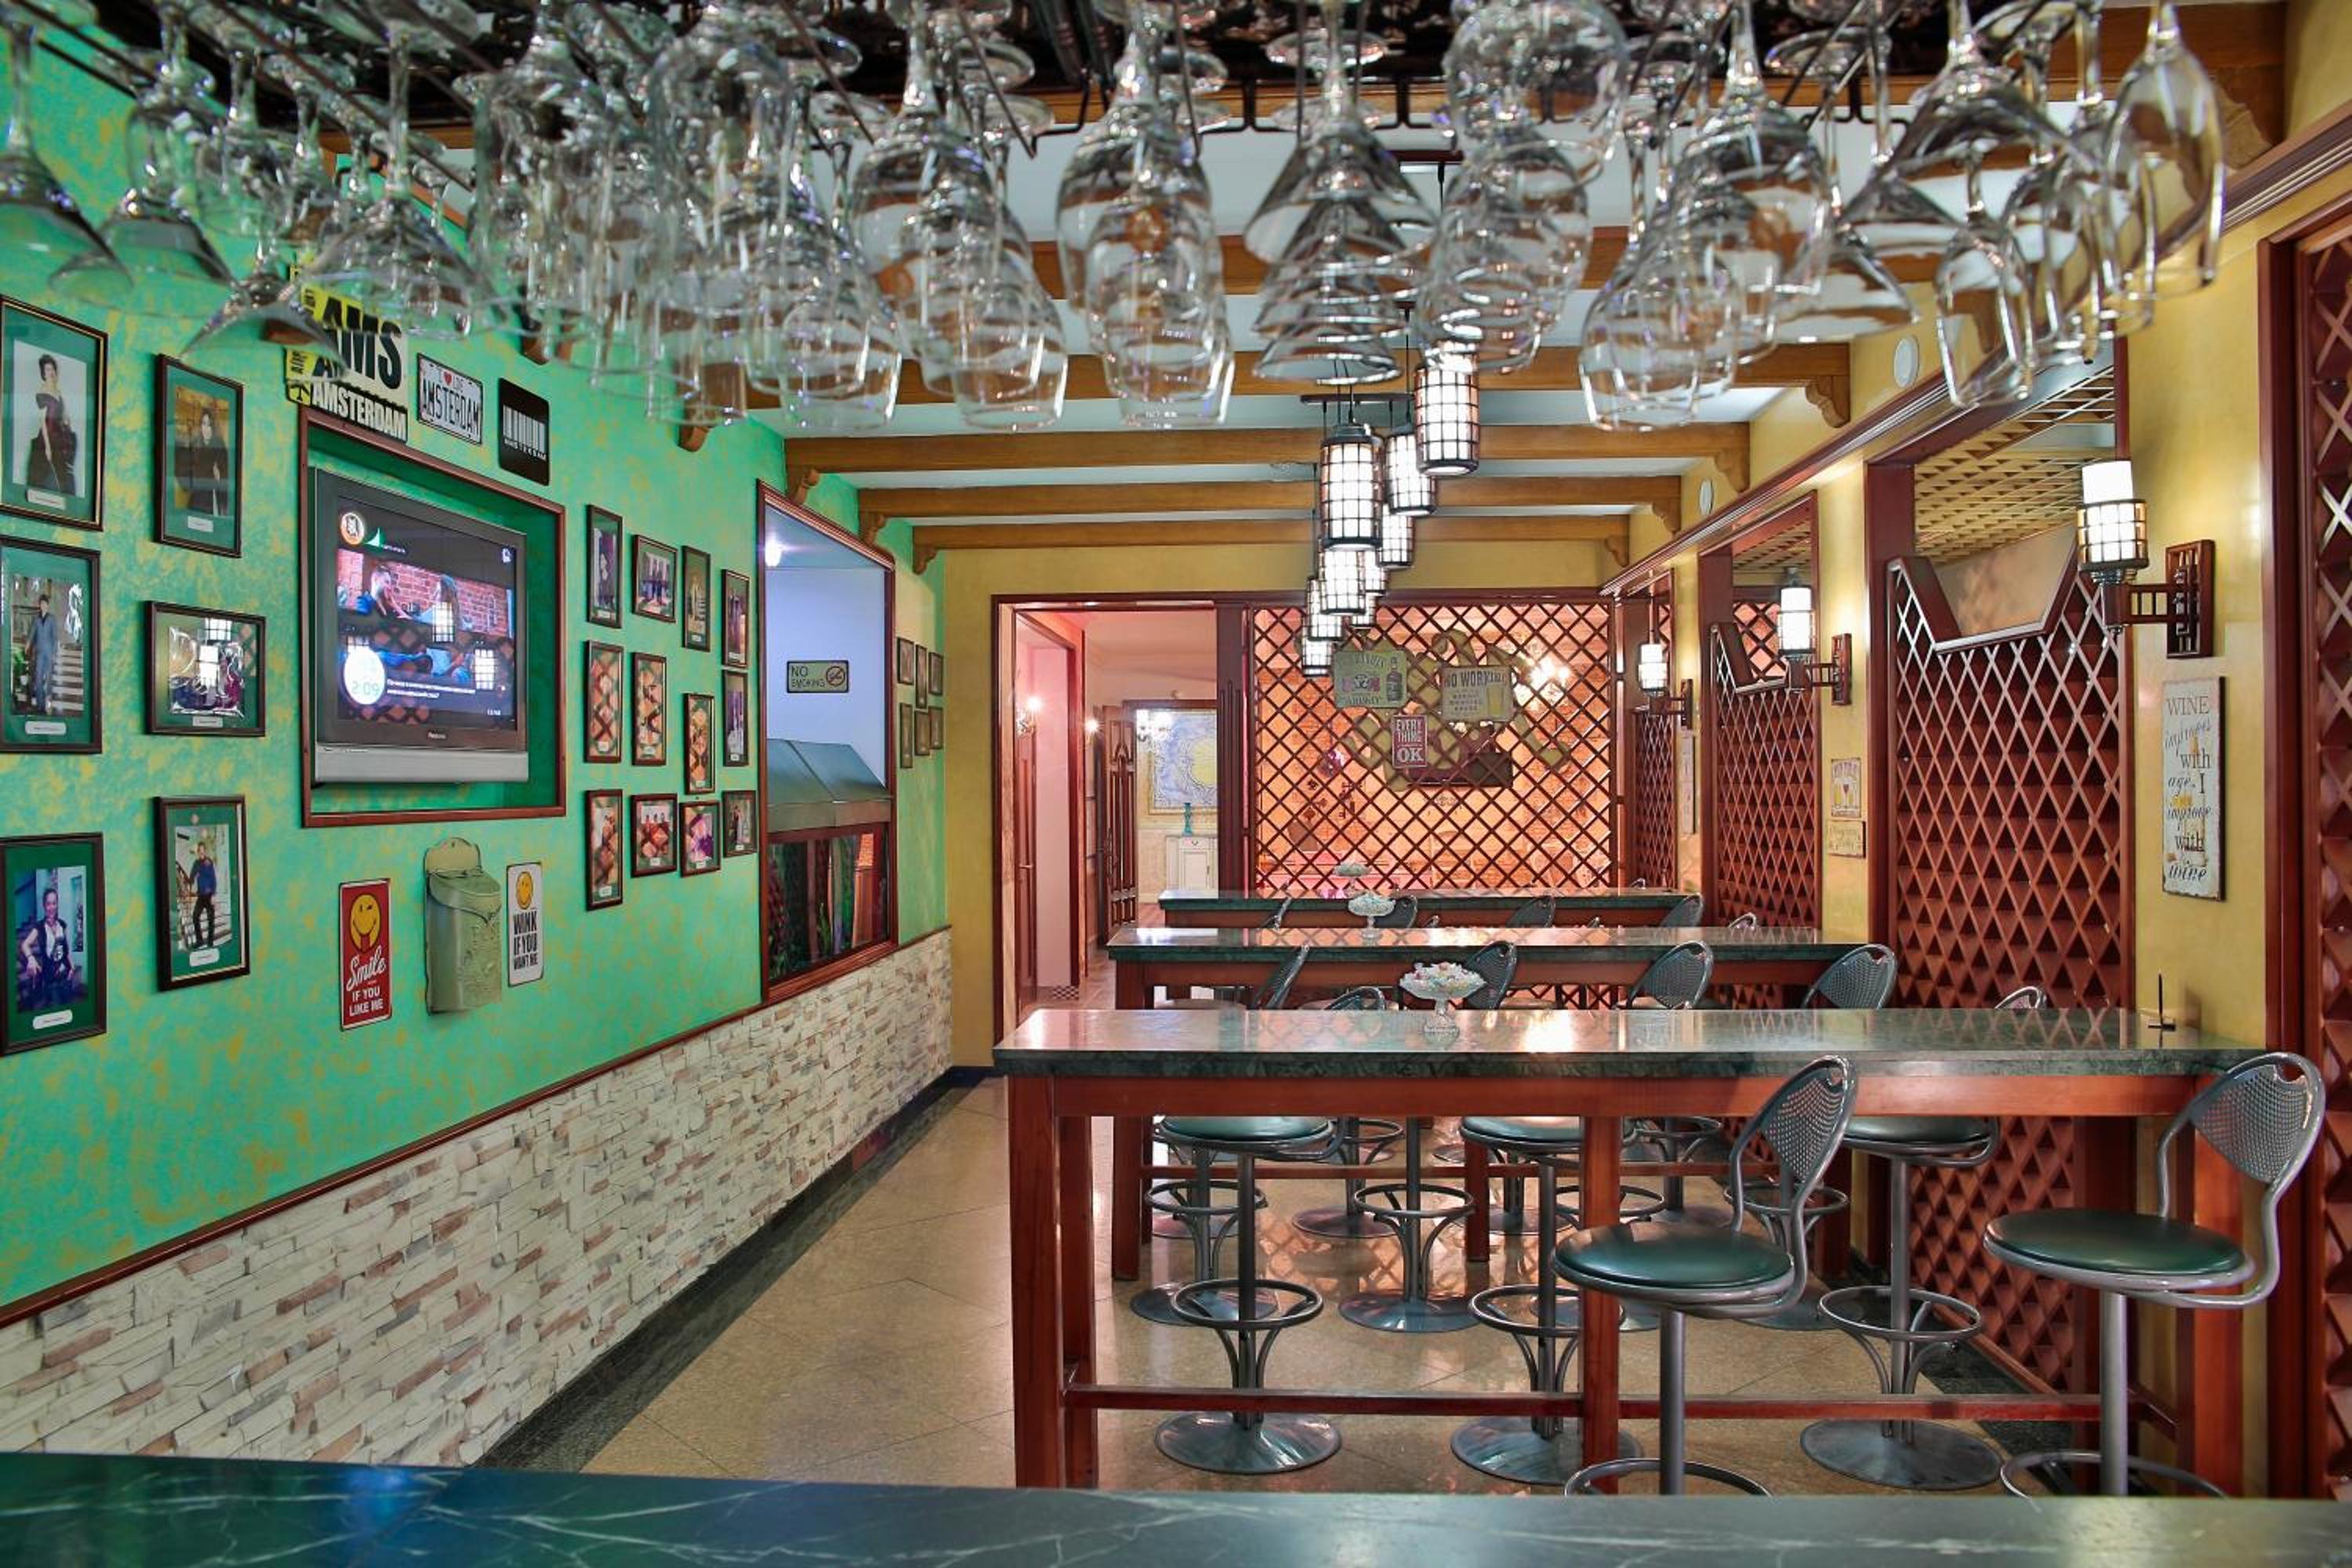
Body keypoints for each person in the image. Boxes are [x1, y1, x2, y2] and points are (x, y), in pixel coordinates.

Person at [23, 353, 75, 498]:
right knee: (46, 470)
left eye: (52, 369)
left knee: (63, 470)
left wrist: (67, 422)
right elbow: (43, 421)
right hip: (47, 436)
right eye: (47, 369)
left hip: (60, 436)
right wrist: (47, 447)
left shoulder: (58, 391)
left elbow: (64, 414)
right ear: (43, 373)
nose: (51, 372)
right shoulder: (41, 392)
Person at [16, 884, 74, 1012]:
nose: (51, 907)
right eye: (48, 904)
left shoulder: (62, 925)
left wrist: (72, 967)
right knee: (56, 1013)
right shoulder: (40, 927)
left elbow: (66, 949)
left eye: (54, 903)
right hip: (51, 980)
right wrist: (31, 958)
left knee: (68, 1009)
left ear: (57, 904)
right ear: (44, 906)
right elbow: (24, 944)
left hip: (66, 977)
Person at [182, 405, 229, 517]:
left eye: (209, 425)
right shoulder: (197, 445)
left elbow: (226, 479)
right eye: (203, 424)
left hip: (213, 499)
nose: (206, 429)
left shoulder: (219, 447)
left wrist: (219, 477)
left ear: (214, 427)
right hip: (197, 499)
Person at [23, 590, 58, 715]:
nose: (43, 605)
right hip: (39, 653)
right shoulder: (36, 619)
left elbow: (55, 637)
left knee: (48, 680)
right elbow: (32, 633)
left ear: (47, 605)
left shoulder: (52, 619)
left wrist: (54, 654)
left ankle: (48, 706)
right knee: (38, 678)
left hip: (49, 653)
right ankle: (40, 705)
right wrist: (28, 644)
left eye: (45, 603)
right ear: (40, 605)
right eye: (42, 603)